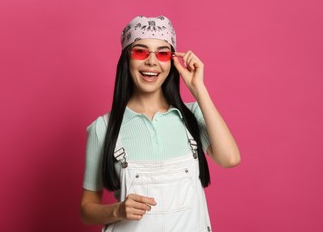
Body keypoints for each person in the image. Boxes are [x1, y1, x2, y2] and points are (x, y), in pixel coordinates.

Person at [80, 15, 240, 231]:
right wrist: (117, 211)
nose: (152, 62)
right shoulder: (103, 128)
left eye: (162, 53)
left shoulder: (192, 115)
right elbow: (87, 208)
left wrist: (198, 89)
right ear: (127, 59)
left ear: (172, 61)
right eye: (141, 51)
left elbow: (230, 158)